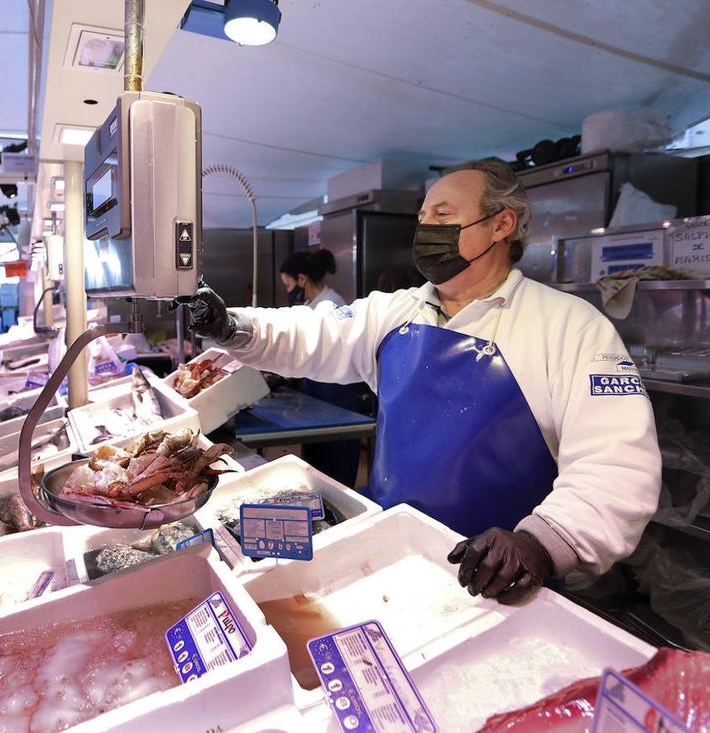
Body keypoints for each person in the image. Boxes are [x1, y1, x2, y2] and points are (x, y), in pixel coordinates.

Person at [175, 160, 661, 606]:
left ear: (502, 224)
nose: (427, 228)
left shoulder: (571, 327)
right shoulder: (396, 309)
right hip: (390, 554)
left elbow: (617, 463)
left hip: (499, 582)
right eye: (424, 217)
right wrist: (231, 327)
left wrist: (542, 542)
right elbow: (316, 333)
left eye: (444, 215)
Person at [277, 249, 366, 488]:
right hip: (318, 392)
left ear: (301, 279)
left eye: (288, 284)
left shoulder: (331, 305)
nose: (288, 290)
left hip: (337, 395)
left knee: (335, 472)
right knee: (317, 467)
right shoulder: (312, 304)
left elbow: (320, 354)